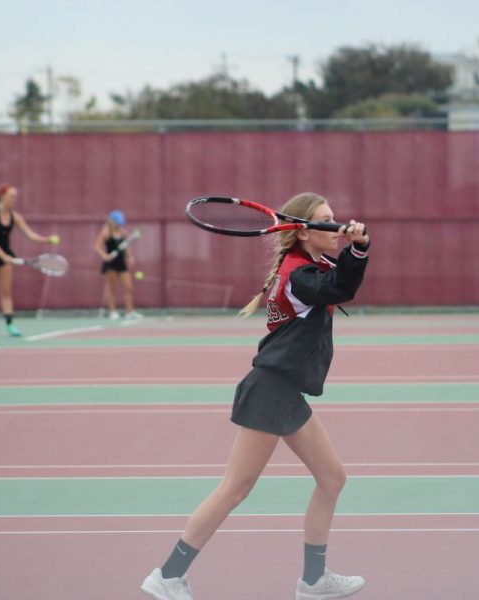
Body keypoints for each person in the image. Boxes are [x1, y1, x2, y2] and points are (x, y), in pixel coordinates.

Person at [141, 192, 370, 600]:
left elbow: (341, 279)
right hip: (270, 389)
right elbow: (339, 287)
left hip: (284, 391)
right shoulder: (301, 274)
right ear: (303, 231)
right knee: (235, 488)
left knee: (332, 478)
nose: (336, 226)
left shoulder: (310, 265)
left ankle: (314, 581)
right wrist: (358, 247)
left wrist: (356, 249)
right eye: (326, 220)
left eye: (336, 218)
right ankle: (168, 575)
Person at [0, 184, 56, 337]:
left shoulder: (15, 216)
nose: (14, 200)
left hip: (6, 256)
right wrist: (3, 256)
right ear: (1, 196)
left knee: (6, 291)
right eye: (12, 196)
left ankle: (10, 325)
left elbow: (30, 234)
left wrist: (46, 239)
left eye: (15, 197)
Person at [94, 210, 142, 320]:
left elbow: (126, 246)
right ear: (111, 220)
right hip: (110, 263)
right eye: (117, 221)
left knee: (128, 287)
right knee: (111, 288)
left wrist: (130, 256)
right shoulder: (105, 232)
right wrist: (105, 256)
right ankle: (113, 312)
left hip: (121, 262)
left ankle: (129, 312)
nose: (119, 224)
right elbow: (97, 246)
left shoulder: (122, 231)